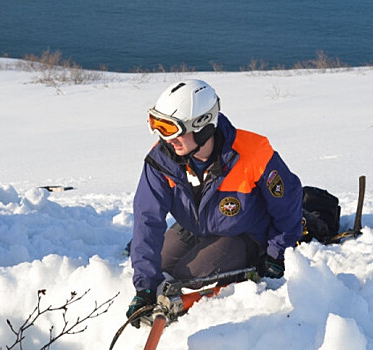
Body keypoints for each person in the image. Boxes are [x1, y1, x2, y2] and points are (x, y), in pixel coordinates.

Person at [126, 79, 303, 327]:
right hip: (194, 227)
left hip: (243, 234)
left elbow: (288, 201)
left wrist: (276, 252)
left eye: (173, 129)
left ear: (202, 127)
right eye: (159, 128)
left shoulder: (253, 152)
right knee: (158, 269)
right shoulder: (162, 160)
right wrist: (144, 286)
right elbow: (147, 218)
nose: (167, 139)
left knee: (185, 278)